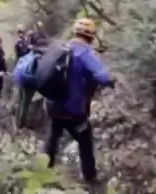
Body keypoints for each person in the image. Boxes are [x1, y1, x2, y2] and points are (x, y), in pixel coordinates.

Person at [40, 18, 114, 186]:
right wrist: (111, 81)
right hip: (73, 111)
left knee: (53, 136)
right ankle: (90, 178)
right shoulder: (85, 53)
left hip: (52, 105)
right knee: (85, 140)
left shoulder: (61, 48)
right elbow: (102, 76)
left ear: (75, 32)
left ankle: (44, 172)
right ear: (91, 36)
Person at [13, 34, 48, 129]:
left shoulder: (29, 54)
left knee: (22, 103)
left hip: (22, 79)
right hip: (34, 81)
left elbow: (18, 68)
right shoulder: (44, 55)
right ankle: (31, 123)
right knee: (34, 102)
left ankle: (19, 124)